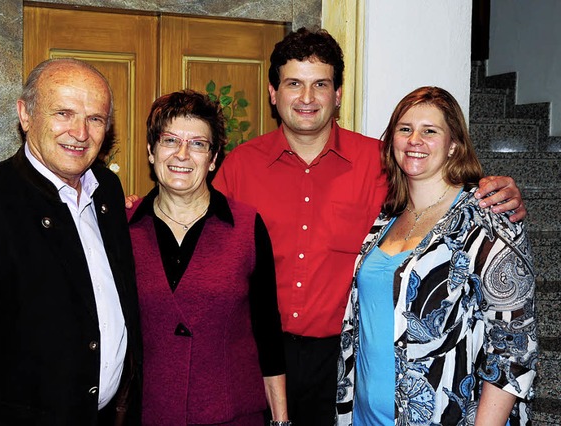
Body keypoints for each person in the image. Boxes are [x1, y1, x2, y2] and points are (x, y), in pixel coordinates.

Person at [212, 28, 527, 426]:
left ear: (338, 94)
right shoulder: (239, 166)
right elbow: (200, 231)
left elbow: (441, 189)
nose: (307, 99)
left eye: (320, 85)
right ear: (274, 93)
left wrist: (496, 188)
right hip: (260, 359)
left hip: (345, 362)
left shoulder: (386, 165)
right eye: (294, 84)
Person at [0, 58, 142, 425]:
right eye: (64, 113)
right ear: (25, 114)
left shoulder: (107, 192)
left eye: (95, 119)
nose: (80, 133)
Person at [336, 86, 538, 425]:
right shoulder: (386, 218)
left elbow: (514, 347)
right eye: (405, 129)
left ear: (454, 145)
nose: (415, 139)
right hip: (363, 415)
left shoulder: (488, 217)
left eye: (430, 131)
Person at [127, 90, 288, 425]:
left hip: (233, 416)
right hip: (148, 415)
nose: (182, 154)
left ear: (213, 159)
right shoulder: (121, 229)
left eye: (198, 144)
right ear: (151, 151)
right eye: (170, 140)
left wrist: (281, 420)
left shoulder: (246, 226)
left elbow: (268, 334)